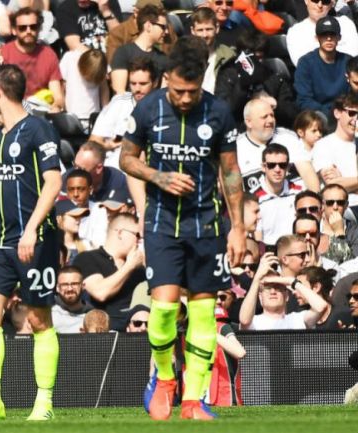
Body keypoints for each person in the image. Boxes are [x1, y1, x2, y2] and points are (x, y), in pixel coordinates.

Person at [119, 36, 245, 421]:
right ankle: (164, 376)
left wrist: (237, 226)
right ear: (166, 78)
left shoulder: (219, 112)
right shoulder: (147, 110)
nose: (185, 98)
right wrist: (158, 175)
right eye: (178, 90)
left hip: (206, 227)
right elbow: (126, 158)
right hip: (161, 226)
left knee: (206, 315)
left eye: (192, 91)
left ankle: (193, 400)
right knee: (162, 310)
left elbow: (230, 170)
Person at [0, 63, 62, 421]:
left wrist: (31, 229)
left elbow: (54, 183)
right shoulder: (0, 135)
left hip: (35, 240)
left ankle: (44, 402)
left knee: (39, 319)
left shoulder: (39, 128)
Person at [73, 212, 146, 331]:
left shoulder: (139, 269)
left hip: (135, 334)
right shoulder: (88, 258)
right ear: (120, 233)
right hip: (103, 334)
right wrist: (129, 266)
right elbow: (100, 293)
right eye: (137, 235)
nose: (139, 240)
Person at [236, 98, 318, 193]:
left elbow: (308, 173)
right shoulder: (236, 148)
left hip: (296, 202)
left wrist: (315, 201)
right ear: (249, 122)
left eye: (272, 115)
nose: (271, 120)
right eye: (264, 117)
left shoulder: (288, 137)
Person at [89, 57, 158, 170]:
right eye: (133, 83)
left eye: (143, 83)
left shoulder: (163, 105)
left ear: (155, 83)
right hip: (115, 168)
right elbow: (93, 141)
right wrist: (107, 146)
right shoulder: (119, 102)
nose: (137, 89)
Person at [239, 251, 328, 330]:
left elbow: (321, 307)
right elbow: (244, 321)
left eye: (278, 287)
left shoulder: (297, 319)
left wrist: (291, 281)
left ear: (287, 296)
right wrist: (257, 279)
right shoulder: (254, 321)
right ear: (260, 297)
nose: (273, 291)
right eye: (268, 288)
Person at [0, 7, 64, 111]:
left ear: (39, 28)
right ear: (14, 30)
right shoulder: (3, 53)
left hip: (41, 111)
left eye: (33, 27)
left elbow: (58, 96)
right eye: (22, 28)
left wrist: (56, 107)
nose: (28, 31)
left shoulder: (49, 54)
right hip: (11, 109)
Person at [294, 16, 351, 118]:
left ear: (339, 37)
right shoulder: (305, 63)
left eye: (332, 34)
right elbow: (304, 100)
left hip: (346, 114)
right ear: (317, 38)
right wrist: (328, 113)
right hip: (317, 116)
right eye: (324, 35)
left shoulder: (348, 61)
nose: (328, 38)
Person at [109, 4, 168, 95]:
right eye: (163, 27)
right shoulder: (123, 53)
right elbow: (119, 92)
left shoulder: (163, 58)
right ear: (148, 26)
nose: (166, 31)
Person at [312, 93, 358, 206]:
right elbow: (333, 185)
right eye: (352, 113)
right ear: (337, 113)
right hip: (344, 208)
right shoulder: (324, 145)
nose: (356, 119)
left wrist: (346, 181)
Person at [286, 0, 358, 67]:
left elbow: (354, 58)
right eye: (315, 0)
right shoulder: (295, 32)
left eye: (325, 1)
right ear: (306, 1)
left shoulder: (345, 23)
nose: (319, 5)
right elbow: (304, 65)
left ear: (331, 3)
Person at [255, 144, 301, 246]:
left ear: (288, 167)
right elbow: (256, 238)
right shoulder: (254, 198)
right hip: (267, 253)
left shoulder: (299, 193)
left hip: (296, 251)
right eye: (271, 165)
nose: (277, 169)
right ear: (263, 167)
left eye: (282, 165)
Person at [56, 0, 121, 51]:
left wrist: (106, 11)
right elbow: (74, 46)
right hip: (84, 59)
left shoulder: (109, 3)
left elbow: (119, 38)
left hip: (111, 55)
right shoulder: (66, 8)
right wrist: (99, 60)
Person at [51, 266, 91, 333]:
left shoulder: (92, 316)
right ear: (57, 288)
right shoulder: (47, 314)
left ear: (83, 286)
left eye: (74, 284)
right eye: (65, 285)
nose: (70, 289)